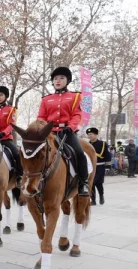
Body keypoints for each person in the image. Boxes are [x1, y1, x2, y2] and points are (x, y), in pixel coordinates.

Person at [37, 67, 89, 195]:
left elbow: (77, 115)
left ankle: (83, 184)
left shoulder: (75, 97)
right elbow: (41, 117)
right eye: (55, 78)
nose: (58, 81)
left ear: (68, 80)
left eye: (61, 78)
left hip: (67, 132)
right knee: (33, 152)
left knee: (79, 154)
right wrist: (42, 129)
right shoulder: (46, 99)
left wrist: (70, 127)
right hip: (50, 133)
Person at [86, 127, 111, 205]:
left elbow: (107, 155)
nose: (89, 136)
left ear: (96, 135)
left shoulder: (103, 144)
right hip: (90, 167)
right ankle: (93, 200)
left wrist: (108, 166)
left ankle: (101, 196)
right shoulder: (87, 144)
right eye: (88, 134)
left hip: (100, 166)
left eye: (91, 134)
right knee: (91, 183)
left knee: (98, 183)